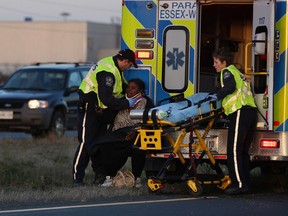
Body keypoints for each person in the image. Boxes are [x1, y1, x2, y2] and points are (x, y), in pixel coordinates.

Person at [72, 49, 139, 186]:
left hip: (99, 112)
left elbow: (121, 88)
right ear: (125, 61)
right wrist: (126, 103)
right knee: (86, 143)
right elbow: (106, 98)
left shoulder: (114, 68)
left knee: (99, 144)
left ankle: (100, 176)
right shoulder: (108, 72)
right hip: (89, 108)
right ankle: (77, 179)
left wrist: (137, 96)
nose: (129, 68)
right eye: (130, 65)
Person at [207, 48, 257, 195]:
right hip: (250, 113)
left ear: (224, 62)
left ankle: (238, 184)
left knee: (234, 151)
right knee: (242, 152)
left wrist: (217, 96)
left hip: (240, 112)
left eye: (216, 62)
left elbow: (230, 87)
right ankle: (245, 183)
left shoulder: (227, 72)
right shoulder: (238, 73)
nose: (214, 65)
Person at [97, 78, 154, 188]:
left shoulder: (146, 102)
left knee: (138, 148)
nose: (129, 90)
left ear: (140, 90)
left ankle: (137, 178)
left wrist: (136, 131)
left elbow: (150, 122)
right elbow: (109, 117)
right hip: (118, 134)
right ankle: (109, 176)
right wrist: (101, 114)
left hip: (136, 134)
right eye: (128, 87)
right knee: (104, 144)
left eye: (133, 88)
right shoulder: (121, 101)